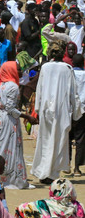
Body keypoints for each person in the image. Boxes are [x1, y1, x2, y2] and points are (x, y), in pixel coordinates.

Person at [0, 61, 35, 189]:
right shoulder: (13, 87)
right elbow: (10, 108)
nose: (21, 72)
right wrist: (27, 116)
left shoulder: (2, 85)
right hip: (9, 120)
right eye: (18, 70)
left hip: (1, 118)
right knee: (10, 146)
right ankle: (15, 179)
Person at [32, 41, 81, 184]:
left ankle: (43, 172)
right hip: (61, 111)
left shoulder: (45, 68)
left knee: (45, 140)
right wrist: (77, 112)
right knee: (58, 141)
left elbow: (39, 89)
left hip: (46, 109)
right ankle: (52, 173)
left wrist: (38, 108)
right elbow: (73, 93)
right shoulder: (67, 69)